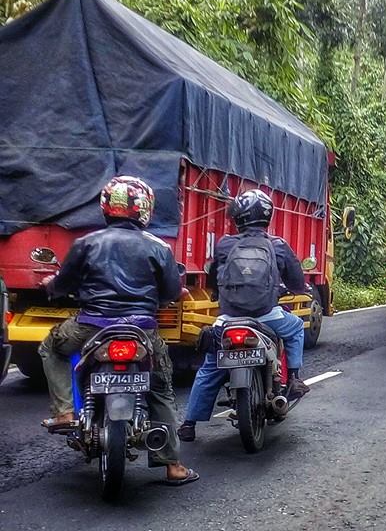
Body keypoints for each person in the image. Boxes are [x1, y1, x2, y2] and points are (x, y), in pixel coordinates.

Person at [37, 176, 199, 485]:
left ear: (106, 207)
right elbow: (169, 292)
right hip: (142, 331)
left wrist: (50, 286)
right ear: (144, 209)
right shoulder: (159, 247)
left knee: (51, 347)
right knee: (160, 389)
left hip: (91, 326)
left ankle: (63, 413)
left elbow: (64, 284)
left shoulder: (86, 243)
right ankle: (173, 466)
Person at [177, 189, 310, 442]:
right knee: (294, 329)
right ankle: (293, 378)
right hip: (268, 315)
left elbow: (215, 276)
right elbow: (296, 281)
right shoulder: (279, 245)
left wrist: (219, 294)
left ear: (236, 216)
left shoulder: (225, 244)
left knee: (210, 364)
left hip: (229, 319)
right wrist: (295, 289)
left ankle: (189, 424)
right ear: (268, 216)